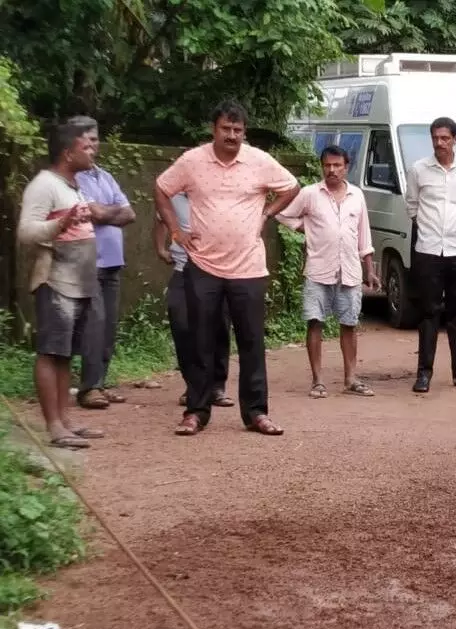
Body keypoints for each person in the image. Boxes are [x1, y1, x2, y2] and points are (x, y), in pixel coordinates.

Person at [155, 99, 299, 436]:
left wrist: (267, 213)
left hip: (248, 267)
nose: (232, 136)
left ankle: (256, 413)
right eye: (226, 129)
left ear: (244, 132)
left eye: (238, 130)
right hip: (203, 265)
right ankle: (196, 412)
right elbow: (161, 189)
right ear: (213, 129)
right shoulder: (192, 161)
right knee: (200, 340)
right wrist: (175, 231)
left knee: (252, 342)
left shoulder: (259, 161)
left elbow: (292, 187)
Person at [16, 122, 104, 449]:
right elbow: (26, 232)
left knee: (65, 354)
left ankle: (65, 420)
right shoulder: (44, 185)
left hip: (78, 283)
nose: (93, 150)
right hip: (55, 281)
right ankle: (53, 425)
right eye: (86, 146)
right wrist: (60, 224)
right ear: (68, 153)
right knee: (51, 352)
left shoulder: (73, 186)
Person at [277, 145, 380, 398]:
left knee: (349, 324)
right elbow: (283, 215)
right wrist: (305, 228)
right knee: (315, 322)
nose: (332, 170)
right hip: (318, 270)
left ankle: (351, 379)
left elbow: (364, 236)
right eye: (327, 165)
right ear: (322, 167)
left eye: (337, 165)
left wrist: (369, 270)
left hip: (350, 270)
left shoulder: (357, 195)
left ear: (347, 167)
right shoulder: (310, 194)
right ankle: (318, 381)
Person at [404, 116, 456, 393]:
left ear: (455, 139)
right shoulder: (418, 169)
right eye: (435, 138)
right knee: (428, 312)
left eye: (445, 138)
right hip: (428, 250)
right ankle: (424, 374)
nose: (440, 143)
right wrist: (429, 230)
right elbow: (412, 206)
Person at [69, 115, 136, 410]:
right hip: (88, 262)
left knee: (108, 325)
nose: (92, 145)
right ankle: (89, 388)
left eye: (95, 139)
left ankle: (100, 381)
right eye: (87, 139)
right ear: (73, 141)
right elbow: (92, 213)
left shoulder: (104, 176)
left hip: (112, 262)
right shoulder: (70, 178)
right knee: (93, 325)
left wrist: (104, 212)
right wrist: (110, 212)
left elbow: (129, 214)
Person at [153, 193, 234, 408]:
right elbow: (160, 220)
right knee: (182, 326)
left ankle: (216, 387)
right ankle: (194, 386)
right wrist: (161, 249)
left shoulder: (218, 193)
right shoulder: (172, 197)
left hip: (216, 271)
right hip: (183, 270)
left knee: (219, 327)